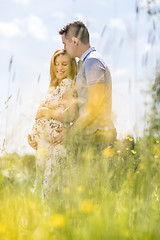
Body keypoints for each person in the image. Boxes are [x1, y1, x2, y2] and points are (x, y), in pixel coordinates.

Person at [53, 21, 117, 160]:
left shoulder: (92, 62)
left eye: (65, 43)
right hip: (90, 137)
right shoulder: (85, 63)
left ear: (75, 41)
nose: (64, 47)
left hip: (98, 137)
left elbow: (94, 105)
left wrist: (70, 132)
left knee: (100, 182)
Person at [28, 49, 77, 199]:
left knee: (49, 189)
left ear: (71, 66)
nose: (59, 68)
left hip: (56, 147)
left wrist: (45, 112)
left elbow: (71, 114)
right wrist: (32, 135)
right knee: (41, 188)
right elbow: (39, 115)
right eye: (56, 64)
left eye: (64, 64)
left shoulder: (67, 84)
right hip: (44, 147)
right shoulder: (54, 88)